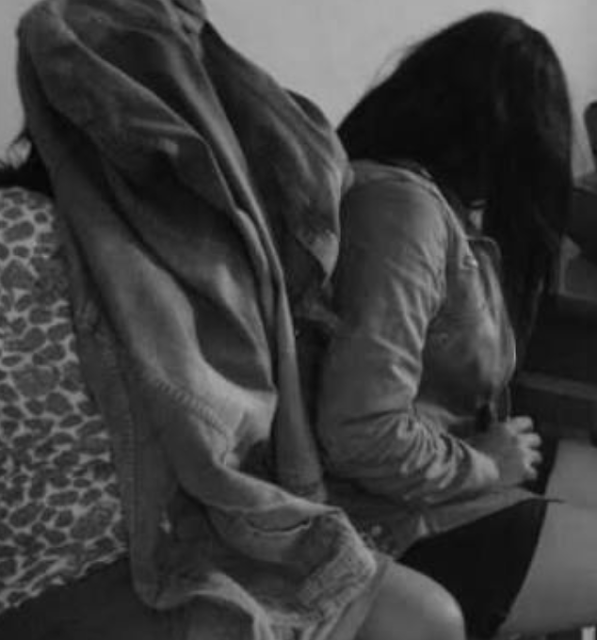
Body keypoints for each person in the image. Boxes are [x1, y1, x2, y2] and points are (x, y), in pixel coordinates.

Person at [0, 3, 465, 637]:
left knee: (427, 616)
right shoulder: (23, 235)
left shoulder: (214, 243)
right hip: (57, 568)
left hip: (207, 526)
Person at [316, 10, 597, 639]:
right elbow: (360, 433)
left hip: (444, 471)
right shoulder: (400, 211)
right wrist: (488, 466)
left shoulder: (426, 202)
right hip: (395, 517)